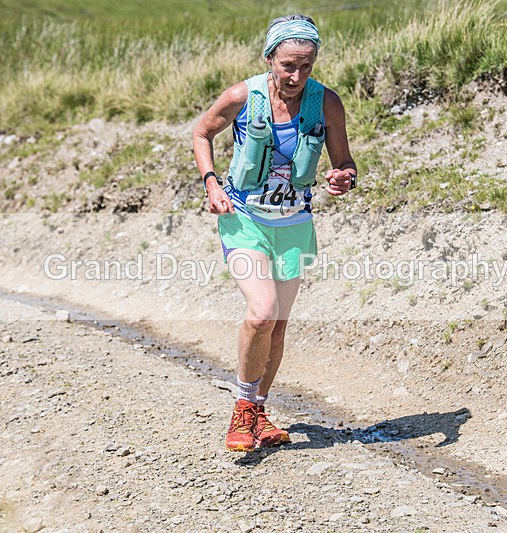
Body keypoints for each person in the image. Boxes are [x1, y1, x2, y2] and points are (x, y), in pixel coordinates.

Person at [193, 14, 357, 452]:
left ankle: (259, 411)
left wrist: (344, 177)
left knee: (278, 329)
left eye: (306, 66)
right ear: (270, 58)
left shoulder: (326, 103)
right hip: (244, 219)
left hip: (295, 226)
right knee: (261, 313)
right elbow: (202, 132)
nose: (296, 76)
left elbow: (344, 161)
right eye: (287, 65)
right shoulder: (241, 96)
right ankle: (242, 410)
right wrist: (211, 183)